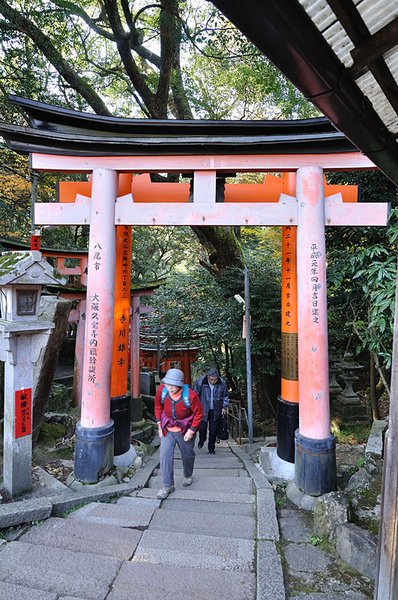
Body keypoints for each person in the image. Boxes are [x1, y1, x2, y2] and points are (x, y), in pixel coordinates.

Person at [154, 368, 203, 500]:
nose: (168, 387)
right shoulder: (162, 390)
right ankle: (167, 485)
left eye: (172, 384)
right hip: (168, 428)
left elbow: (199, 413)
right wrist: (159, 424)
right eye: (167, 383)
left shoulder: (191, 396)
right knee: (164, 455)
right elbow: (158, 406)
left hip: (185, 429)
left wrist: (192, 430)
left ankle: (187, 474)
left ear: (180, 384)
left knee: (187, 455)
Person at [193, 367, 229, 455]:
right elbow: (194, 395)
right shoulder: (200, 382)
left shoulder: (222, 383)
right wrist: (195, 408)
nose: (213, 381)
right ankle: (202, 439)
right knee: (202, 428)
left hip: (215, 409)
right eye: (211, 379)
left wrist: (224, 407)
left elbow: (225, 396)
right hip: (203, 408)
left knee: (213, 430)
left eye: (215, 379)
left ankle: (211, 448)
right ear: (208, 377)